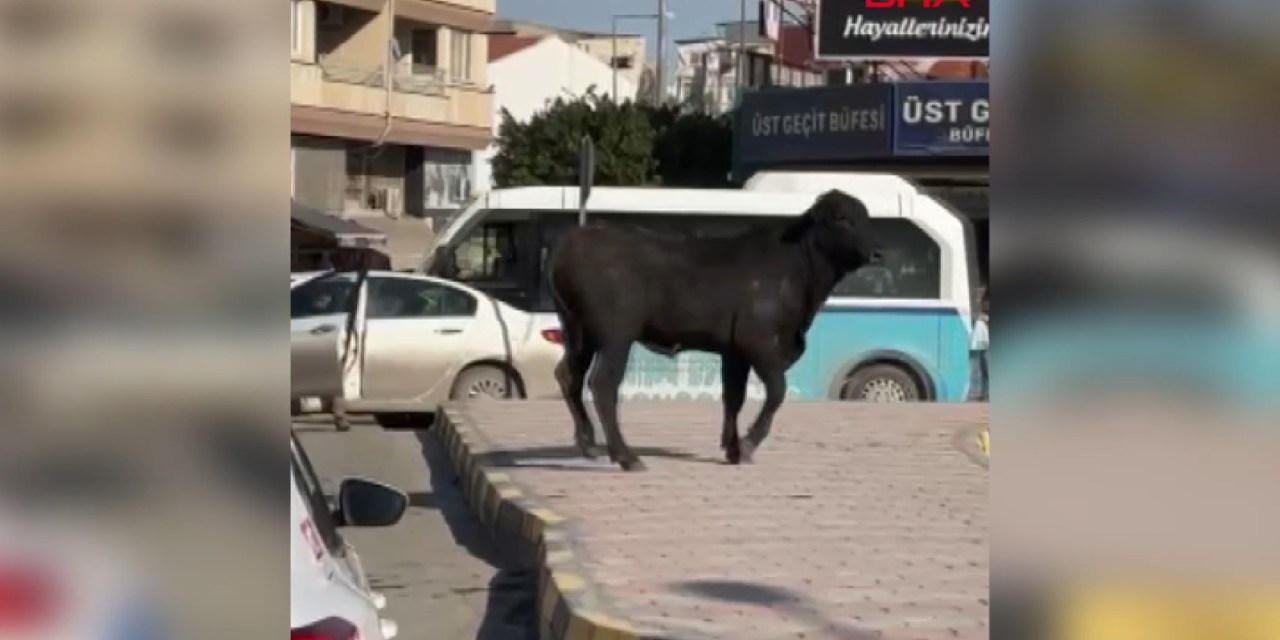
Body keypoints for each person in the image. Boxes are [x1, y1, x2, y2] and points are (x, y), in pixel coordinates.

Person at [971, 289, 990, 401]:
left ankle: (986, 394)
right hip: (983, 343)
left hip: (987, 344)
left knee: (986, 371)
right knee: (983, 370)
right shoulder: (981, 313)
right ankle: (984, 394)